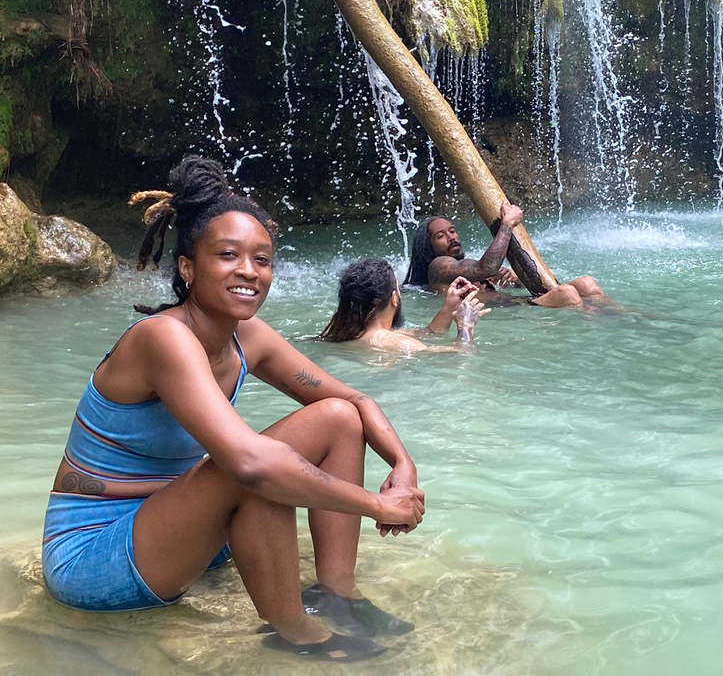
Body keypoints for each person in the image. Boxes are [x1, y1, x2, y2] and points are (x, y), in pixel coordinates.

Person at [41, 156, 425, 663]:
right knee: (254, 464)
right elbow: (249, 464)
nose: (248, 271)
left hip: (186, 532)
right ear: (187, 267)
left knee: (333, 417)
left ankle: (337, 591)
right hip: (95, 556)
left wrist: (402, 465)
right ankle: (293, 630)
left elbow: (354, 401)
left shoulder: (249, 337)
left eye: (262, 259)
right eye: (228, 255)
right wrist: (376, 506)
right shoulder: (163, 338)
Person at [402, 205, 605, 307]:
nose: (451, 237)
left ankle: (623, 317)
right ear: (428, 247)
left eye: (452, 231)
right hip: (515, 310)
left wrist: (513, 277)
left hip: (521, 302)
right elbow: (486, 268)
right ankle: (603, 331)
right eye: (441, 236)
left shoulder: (461, 267)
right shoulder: (437, 266)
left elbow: (487, 271)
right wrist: (506, 224)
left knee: (587, 283)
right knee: (567, 293)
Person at [319, 258, 490, 351]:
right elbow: (460, 354)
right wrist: (466, 325)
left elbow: (427, 333)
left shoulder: (339, 335)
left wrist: (448, 307)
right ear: (394, 298)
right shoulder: (399, 343)